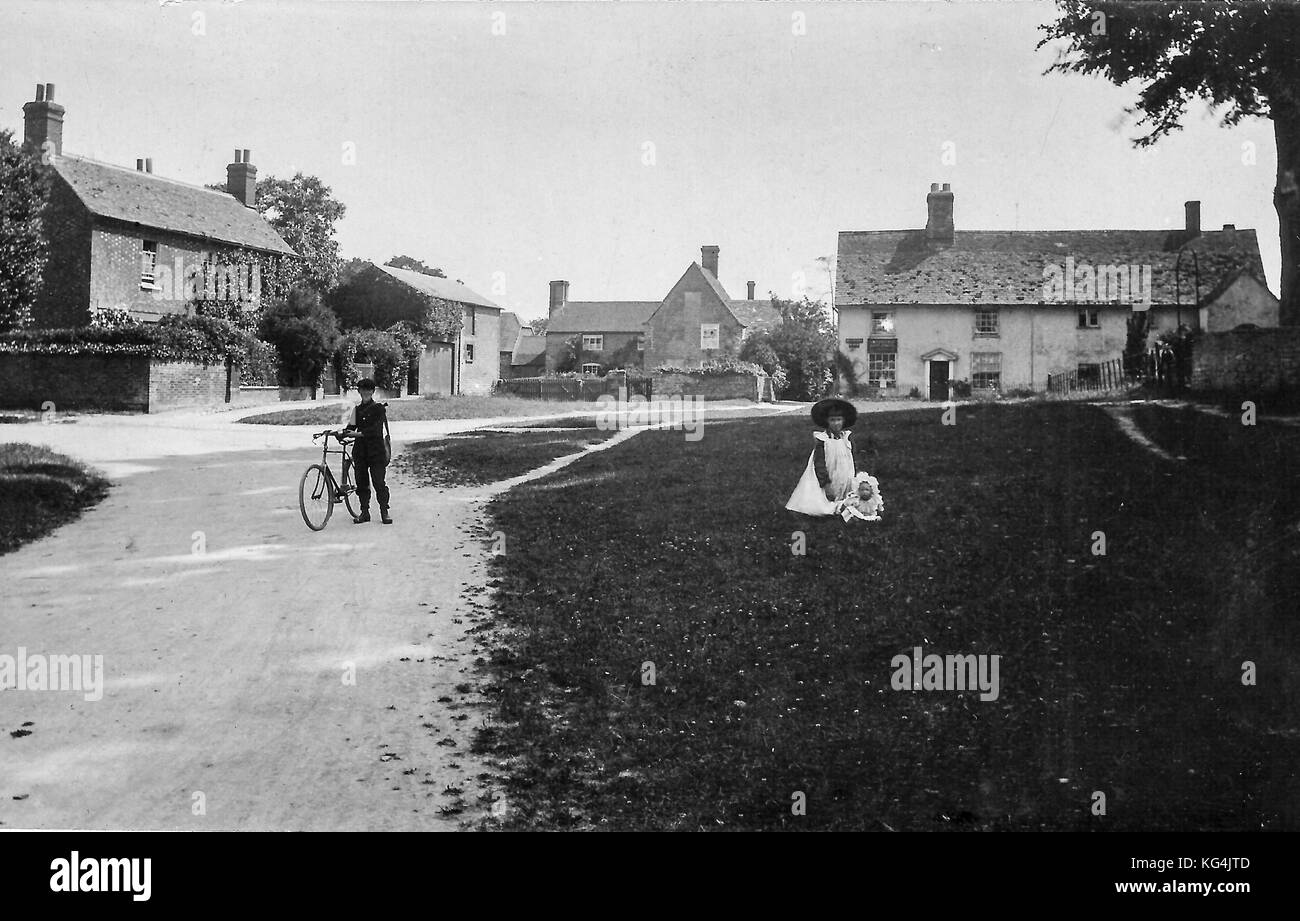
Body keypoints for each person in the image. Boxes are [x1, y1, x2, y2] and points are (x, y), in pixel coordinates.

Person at [785, 397, 865, 516]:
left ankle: (843, 504)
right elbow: (819, 464)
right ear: (827, 421)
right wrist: (825, 483)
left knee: (850, 497)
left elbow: (852, 458)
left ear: (844, 420)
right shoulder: (823, 440)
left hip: (845, 473)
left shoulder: (846, 438)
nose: (836, 423)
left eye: (839, 419)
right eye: (832, 420)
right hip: (829, 474)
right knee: (825, 503)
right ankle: (831, 502)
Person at [342, 378, 393, 524]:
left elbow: (376, 431)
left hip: (376, 452)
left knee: (378, 482)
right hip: (360, 452)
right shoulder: (356, 410)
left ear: (373, 392)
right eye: (362, 390)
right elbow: (350, 427)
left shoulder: (379, 409)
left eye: (368, 390)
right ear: (359, 392)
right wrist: (342, 432)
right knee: (362, 482)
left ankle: (384, 511)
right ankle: (365, 512)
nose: (365, 392)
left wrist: (358, 434)